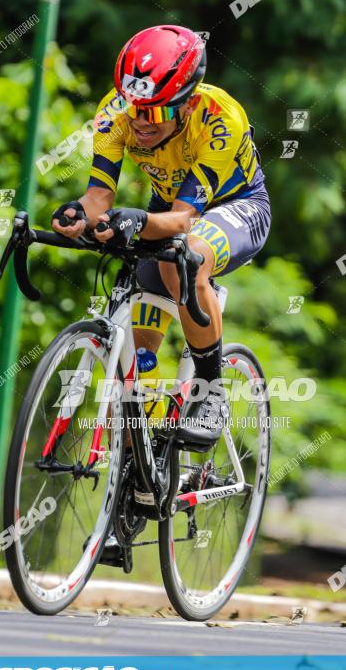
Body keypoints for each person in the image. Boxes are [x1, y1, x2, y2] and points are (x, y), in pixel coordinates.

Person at [51, 24, 271, 452]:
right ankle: (137, 471)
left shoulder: (220, 118)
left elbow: (184, 220)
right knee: (139, 362)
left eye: (154, 113)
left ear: (187, 105)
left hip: (235, 206)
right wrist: (79, 214)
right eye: (133, 109)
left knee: (184, 257)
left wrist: (135, 221)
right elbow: (99, 195)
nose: (139, 123)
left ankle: (211, 394)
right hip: (166, 208)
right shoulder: (116, 111)